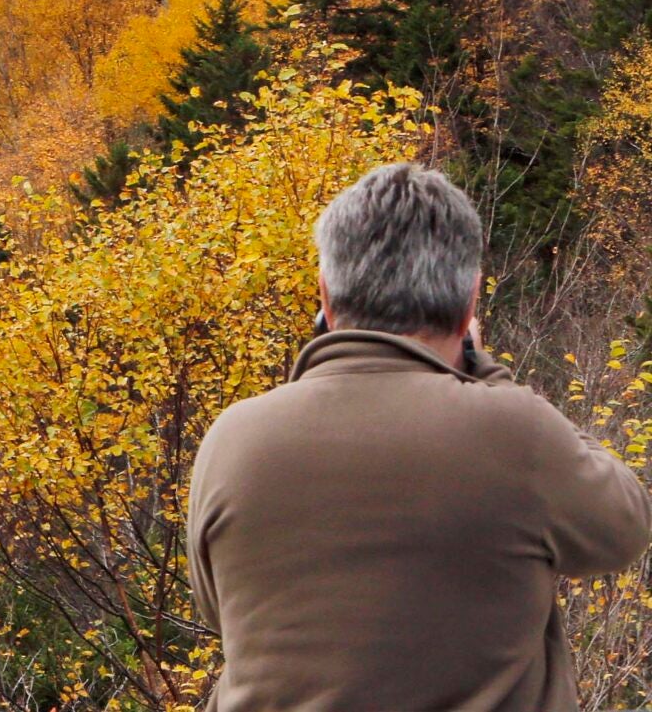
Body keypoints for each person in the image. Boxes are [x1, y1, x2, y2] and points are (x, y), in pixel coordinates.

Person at [188, 162, 652, 710]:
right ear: (471, 302)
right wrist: (488, 371)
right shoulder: (514, 431)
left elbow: (220, 611)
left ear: (326, 297)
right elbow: (624, 529)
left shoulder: (233, 437)